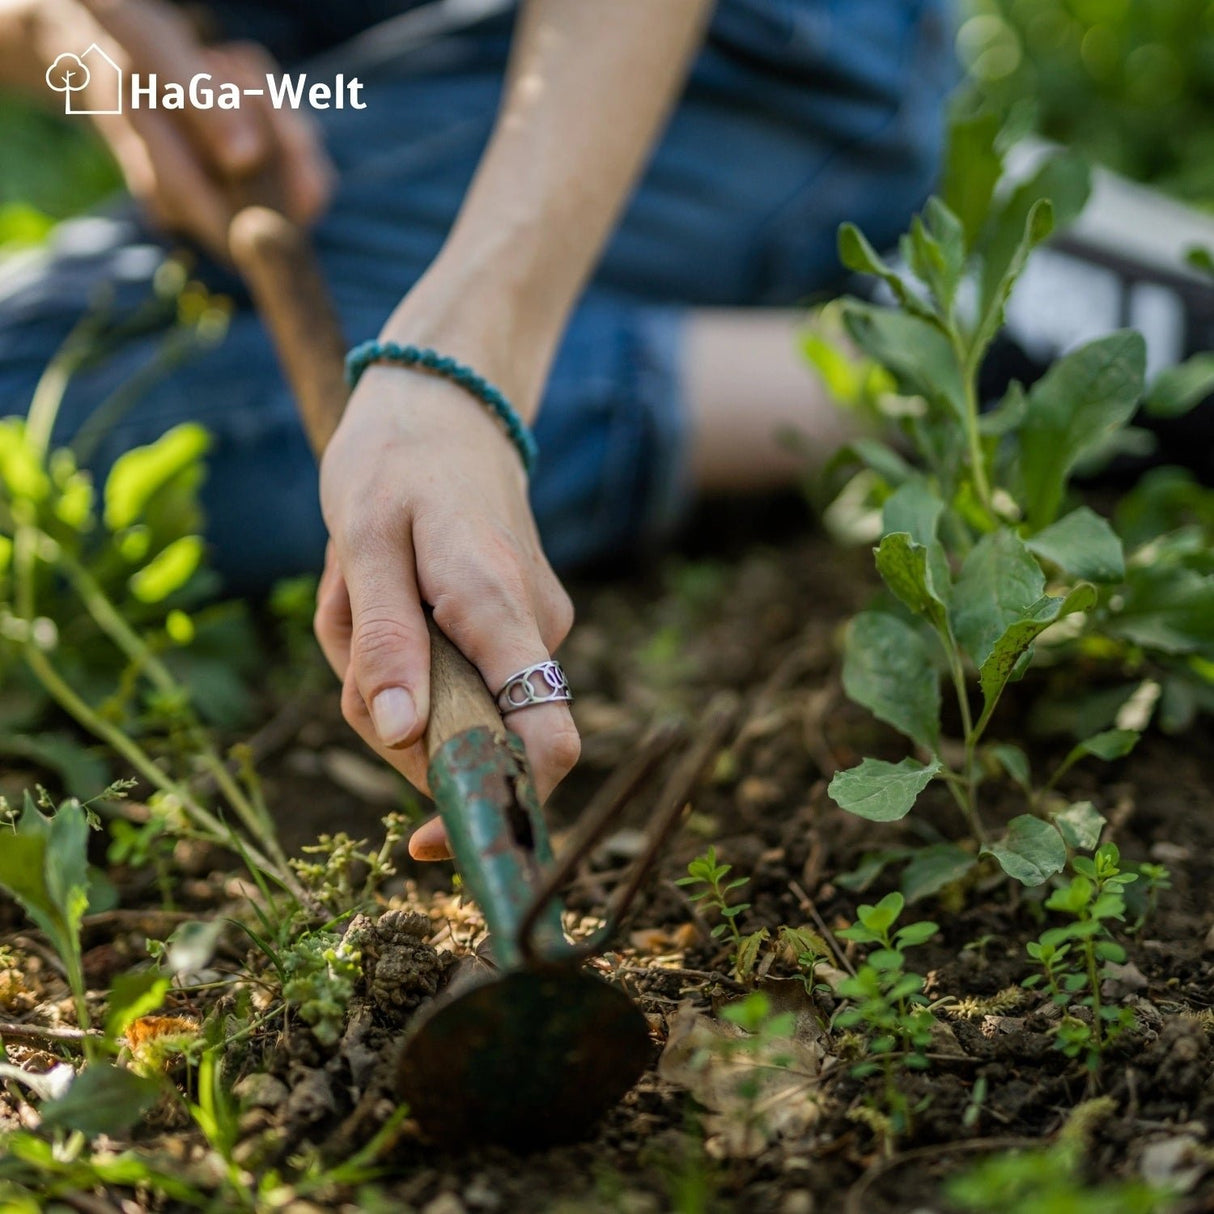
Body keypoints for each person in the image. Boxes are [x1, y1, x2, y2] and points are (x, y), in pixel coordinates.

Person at [0, 0, 955, 859]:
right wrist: (82, 39)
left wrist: (464, 363)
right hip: (392, 67)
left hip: (750, 48)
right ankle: (876, 349)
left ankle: (952, 361)